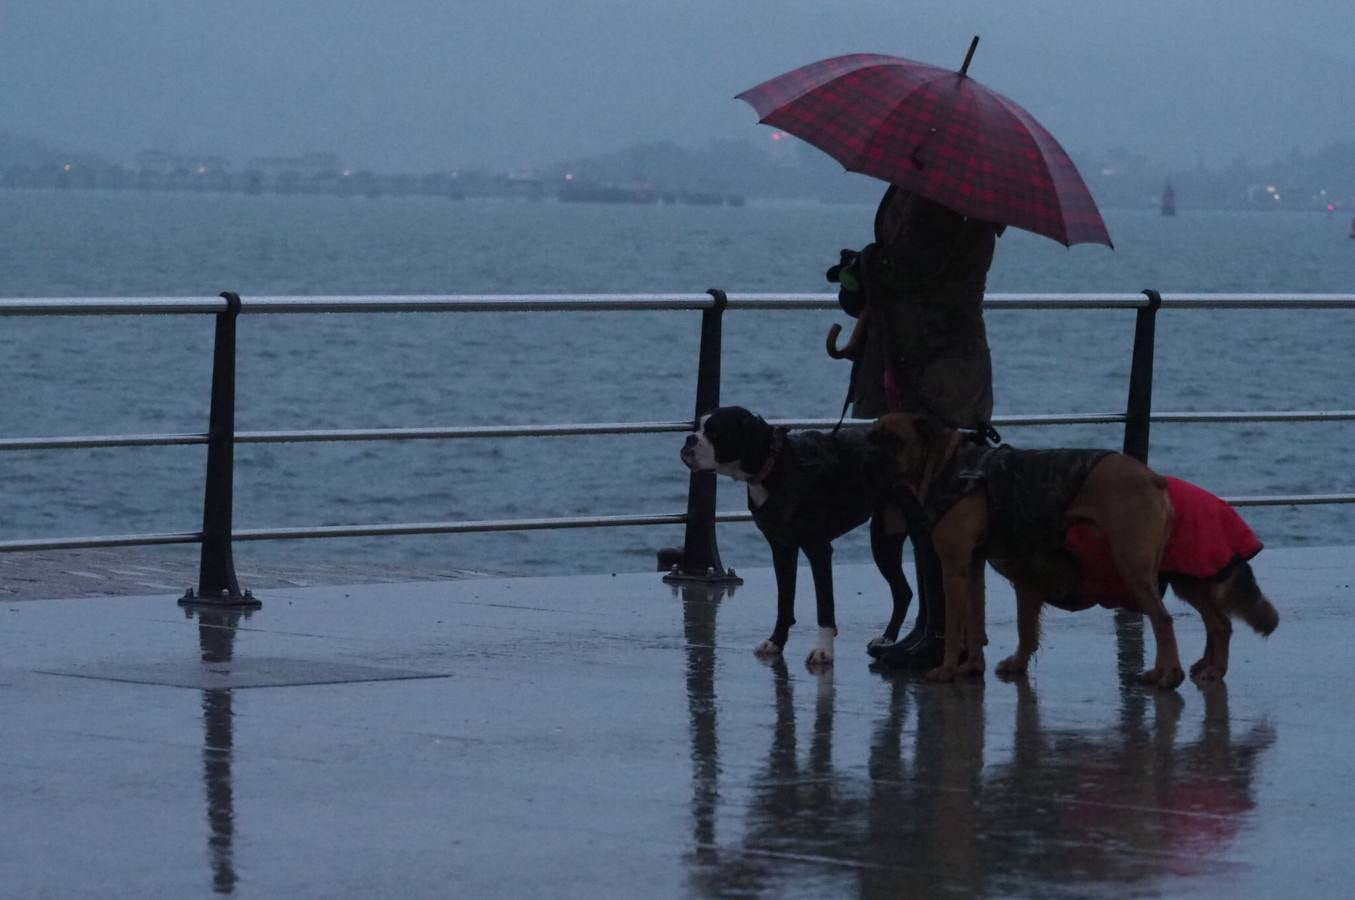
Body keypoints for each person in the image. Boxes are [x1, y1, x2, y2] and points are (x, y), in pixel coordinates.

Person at [827, 184, 1003, 669]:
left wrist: (862, 265)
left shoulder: (947, 199)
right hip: (920, 362)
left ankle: (941, 634)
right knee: (918, 503)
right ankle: (932, 627)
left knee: (938, 506)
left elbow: (908, 265)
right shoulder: (936, 190)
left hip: (939, 371)